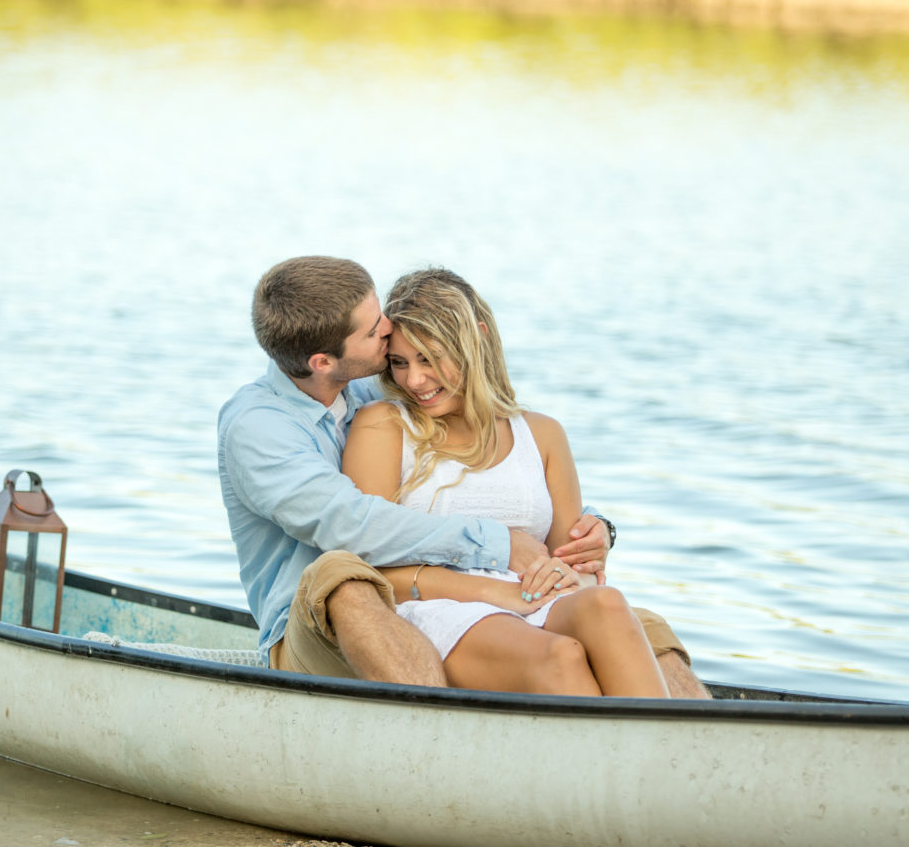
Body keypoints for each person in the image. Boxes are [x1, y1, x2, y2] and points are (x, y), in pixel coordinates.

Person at [218, 256, 707, 697]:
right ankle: (436, 741)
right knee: (343, 575)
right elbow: (355, 528)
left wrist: (594, 528)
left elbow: (495, 463)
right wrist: (500, 550)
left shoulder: (367, 387)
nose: (408, 372)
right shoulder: (261, 429)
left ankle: (687, 762)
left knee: (629, 620)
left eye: (420, 356)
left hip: (506, 593)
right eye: (378, 336)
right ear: (323, 362)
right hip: (325, 621)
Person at [341, 268, 672, 696]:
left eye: (430, 358)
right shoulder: (383, 425)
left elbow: (574, 563)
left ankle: (658, 754)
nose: (414, 380)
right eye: (400, 363)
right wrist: (497, 593)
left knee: (607, 604)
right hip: (437, 609)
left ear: (476, 339)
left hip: (532, 601)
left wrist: (583, 564)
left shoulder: (543, 434)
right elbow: (367, 569)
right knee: (562, 656)